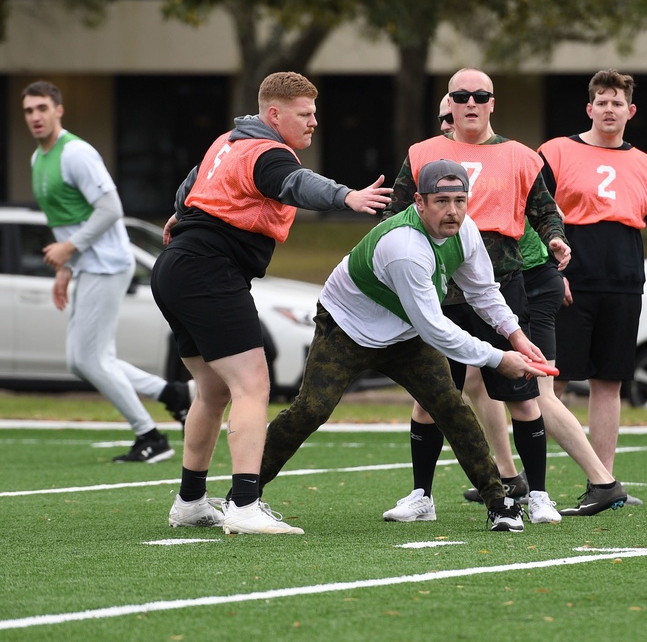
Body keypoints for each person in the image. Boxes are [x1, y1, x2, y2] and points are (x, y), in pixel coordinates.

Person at [151, 71, 392, 535]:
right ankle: (243, 504)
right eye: (306, 114)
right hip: (207, 268)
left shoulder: (227, 141)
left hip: (178, 266)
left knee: (214, 390)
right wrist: (348, 196)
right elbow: (296, 184)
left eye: (315, 113)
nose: (314, 122)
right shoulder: (267, 152)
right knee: (252, 384)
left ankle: (190, 501)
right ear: (274, 114)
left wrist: (179, 215)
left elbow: (189, 187)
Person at [258, 159, 548, 532]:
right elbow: (435, 329)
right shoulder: (405, 247)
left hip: (406, 332)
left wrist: (516, 335)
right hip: (348, 327)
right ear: (419, 202)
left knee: (449, 407)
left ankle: (500, 503)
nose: (453, 211)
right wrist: (497, 359)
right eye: (442, 201)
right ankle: (246, 492)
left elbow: (482, 291)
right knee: (311, 409)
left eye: (460, 200)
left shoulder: (465, 230)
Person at [381, 68, 571, 525]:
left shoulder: (521, 155)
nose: (470, 103)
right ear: (449, 102)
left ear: (492, 102)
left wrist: (556, 239)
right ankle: (421, 495)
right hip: (437, 289)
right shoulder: (423, 152)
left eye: (479, 95)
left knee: (521, 394)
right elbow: (396, 212)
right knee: (430, 395)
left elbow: (544, 209)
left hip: (500, 286)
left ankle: (539, 494)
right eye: (461, 95)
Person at [538, 69, 647, 506]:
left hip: (625, 284)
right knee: (551, 383)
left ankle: (603, 483)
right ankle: (530, 481)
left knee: (608, 382)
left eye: (617, 103)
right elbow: (533, 218)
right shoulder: (555, 152)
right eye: (601, 101)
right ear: (589, 108)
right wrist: (549, 275)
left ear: (630, 112)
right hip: (569, 282)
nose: (609, 109)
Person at [21, 80, 192, 463]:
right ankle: (173, 395)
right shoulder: (37, 160)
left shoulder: (76, 153)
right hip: (87, 265)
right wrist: (66, 265)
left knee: (89, 359)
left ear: (58, 110)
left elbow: (112, 209)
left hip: (108, 263)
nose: (35, 117)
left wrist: (70, 249)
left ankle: (150, 437)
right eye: (29, 110)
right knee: (83, 359)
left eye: (42, 108)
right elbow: (63, 221)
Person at [461, 227, 629, 515]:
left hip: (529, 282)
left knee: (538, 393)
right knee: (475, 380)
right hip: (508, 282)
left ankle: (604, 482)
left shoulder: (514, 180)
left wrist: (555, 262)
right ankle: (509, 476)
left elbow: (548, 211)